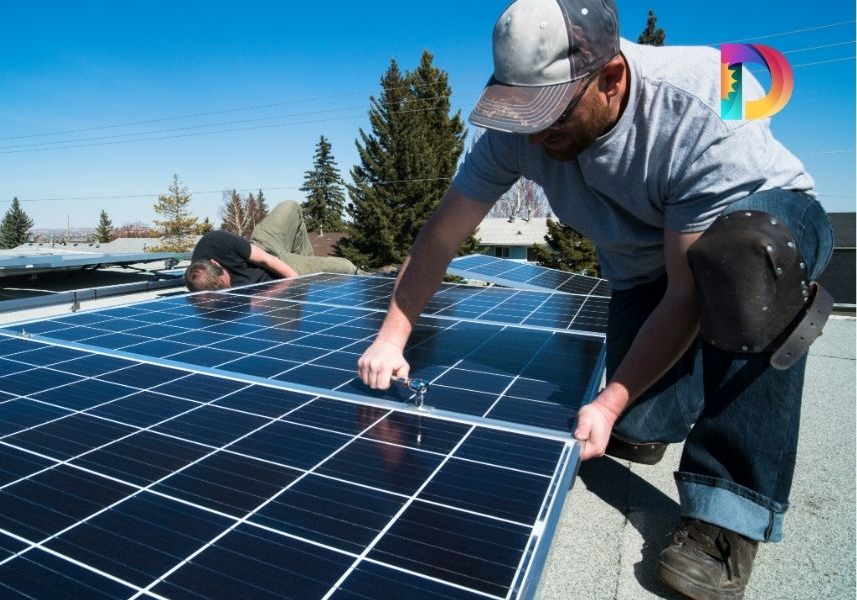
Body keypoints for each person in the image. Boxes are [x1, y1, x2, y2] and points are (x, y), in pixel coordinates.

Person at [355, 1, 834, 599]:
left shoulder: (704, 96)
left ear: (611, 78)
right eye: (523, 112)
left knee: (745, 264)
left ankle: (728, 516)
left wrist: (605, 404)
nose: (536, 130)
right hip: (644, 270)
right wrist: (392, 336)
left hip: (761, 231)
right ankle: (667, 399)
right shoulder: (520, 128)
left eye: (552, 113)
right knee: (639, 423)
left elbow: (687, 290)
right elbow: (443, 234)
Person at [184, 200, 358, 290]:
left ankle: (306, 260)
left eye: (227, 281)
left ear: (215, 263)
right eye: (225, 289)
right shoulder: (204, 290)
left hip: (265, 249)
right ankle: (376, 275)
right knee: (345, 267)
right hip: (276, 276)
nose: (229, 288)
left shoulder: (215, 241)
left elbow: (266, 260)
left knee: (291, 206)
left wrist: (300, 285)